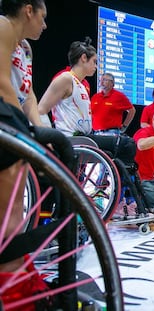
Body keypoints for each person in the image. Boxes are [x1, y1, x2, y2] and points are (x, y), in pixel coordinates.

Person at [0, 0, 51, 307]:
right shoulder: (3, 26)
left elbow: (28, 94)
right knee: (9, 211)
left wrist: (41, 130)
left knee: (16, 207)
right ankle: (11, 281)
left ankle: (17, 265)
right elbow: (2, 83)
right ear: (29, 10)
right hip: (4, 117)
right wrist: (23, 129)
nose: (45, 26)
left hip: (11, 114)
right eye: (43, 17)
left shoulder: (26, 50)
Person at [38, 37, 96, 136]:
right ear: (84, 58)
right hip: (70, 136)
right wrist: (48, 135)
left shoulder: (83, 84)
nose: (96, 66)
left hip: (85, 136)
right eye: (94, 61)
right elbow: (41, 110)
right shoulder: (65, 78)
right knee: (125, 144)